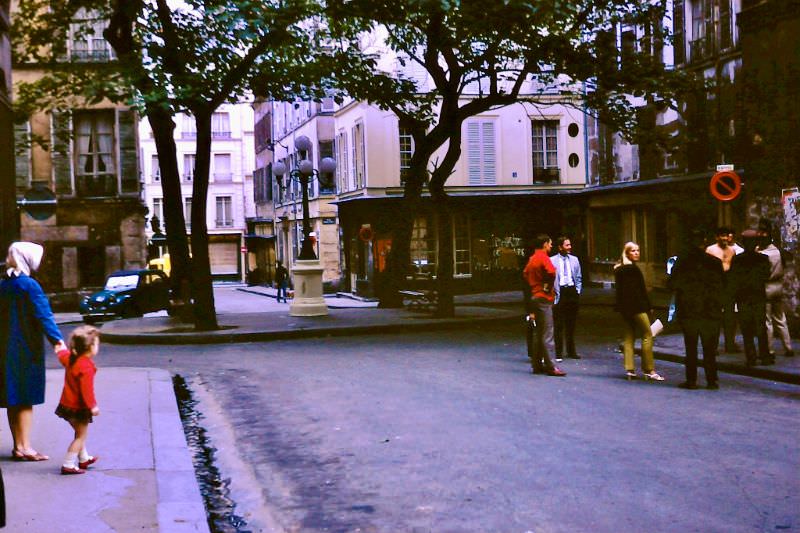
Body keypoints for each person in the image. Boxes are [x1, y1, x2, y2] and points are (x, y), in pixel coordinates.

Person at [0, 242, 66, 461]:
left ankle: (18, 446)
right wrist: (58, 341)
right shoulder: (30, 285)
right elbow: (43, 315)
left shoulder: (4, 285)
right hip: (26, 348)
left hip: (5, 348)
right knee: (26, 398)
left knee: (12, 398)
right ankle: (26, 447)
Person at [670, 230, 724, 389]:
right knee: (709, 349)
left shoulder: (682, 262)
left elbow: (672, 284)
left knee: (691, 347)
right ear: (704, 242)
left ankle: (692, 380)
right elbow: (722, 286)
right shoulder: (714, 262)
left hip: (690, 311)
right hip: (710, 311)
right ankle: (712, 380)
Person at [613, 242, 664, 381]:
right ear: (627, 253)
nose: (636, 253)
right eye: (633, 251)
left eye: (638, 250)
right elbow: (640, 291)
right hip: (638, 307)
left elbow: (620, 292)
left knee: (629, 337)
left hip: (625, 308)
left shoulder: (619, 269)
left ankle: (629, 369)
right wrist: (649, 307)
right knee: (648, 334)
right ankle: (649, 369)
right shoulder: (633, 270)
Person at [55, 325, 101, 475]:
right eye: (96, 344)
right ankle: (68, 464)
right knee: (80, 436)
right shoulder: (86, 366)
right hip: (78, 408)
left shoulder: (71, 358)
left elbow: (62, 355)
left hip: (66, 405)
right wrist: (92, 406)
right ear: (90, 347)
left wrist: (60, 348)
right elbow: (86, 390)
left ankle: (83, 459)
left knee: (79, 433)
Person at [522, 234, 566, 377]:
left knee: (538, 332)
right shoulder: (543, 257)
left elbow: (526, 273)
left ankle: (537, 364)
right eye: (550, 243)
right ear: (545, 244)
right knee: (547, 332)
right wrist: (547, 287)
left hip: (534, 295)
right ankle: (551, 366)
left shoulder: (532, 258)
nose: (551, 246)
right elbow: (552, 272)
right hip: (543, 297)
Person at [730, 230, 772, 366]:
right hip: (758, 296)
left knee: (747, 329)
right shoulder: (763, 259)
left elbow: (733, 279)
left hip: (743, 297)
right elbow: (766, 276)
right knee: (761, 328)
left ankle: (751, 357)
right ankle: (764, 356)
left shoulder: (737, 259)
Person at [759, 232, 795, 358]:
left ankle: (769, 350)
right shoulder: (778, 251)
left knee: (767, 320)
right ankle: (788, 346)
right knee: (781, 318)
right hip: (778, 286)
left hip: (767, 286)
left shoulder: (762, 254)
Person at [705, 227, 740, 353]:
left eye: (726, 236)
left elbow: (734, 268)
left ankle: (729, 344)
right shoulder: (711, 250)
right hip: (715, 285)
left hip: (728, 285)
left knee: (729, 317)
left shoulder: (732, 250)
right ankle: (712, 346)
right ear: (717, 237)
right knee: (715, 317)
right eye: (722, 236)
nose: (725, 238)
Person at [552, 236, 582, 360]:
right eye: (567, 245)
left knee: (571, 323)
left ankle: (571, 351)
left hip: (571, 291)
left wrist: (578, 291)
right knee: (558, 324)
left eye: (570, 245)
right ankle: (558, 352)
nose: (570, 247)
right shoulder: (552, 260)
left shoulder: (575, 260)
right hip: (560, 292)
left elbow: (579, 276)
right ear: (560, 247)